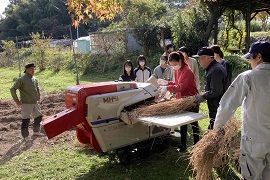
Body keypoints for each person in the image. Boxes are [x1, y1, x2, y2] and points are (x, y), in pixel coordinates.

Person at [213, 41, 270, 180]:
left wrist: (217, 128)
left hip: (254, 140)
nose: (250, 61)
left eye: (250, 58)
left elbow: (227, 106)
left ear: (259, 57)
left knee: (251, 176)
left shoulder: (248, 77)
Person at [157, 51, 199, 152]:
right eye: (171, 65)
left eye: (175, 64)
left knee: (194, 123)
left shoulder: (187, 71)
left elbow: (181, 87)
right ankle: (183, 144)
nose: (174, 67)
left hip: (191, 99)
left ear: (180, 61)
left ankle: (197, 144)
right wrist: (167, 82)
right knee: (182, 123)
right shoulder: (177, 70)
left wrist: (167, 87)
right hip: (181, 100)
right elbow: (176, 83)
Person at [193, 47, 228, 130]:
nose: (198, 61)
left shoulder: (215, 70)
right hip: (216, 106)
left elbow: (216, 91)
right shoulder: (212, 68)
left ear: (207, 58)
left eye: (200, 58)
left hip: (218, 106)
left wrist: (203, 96)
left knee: (217, 130)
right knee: (214, 127)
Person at [10, 63, 44, 141]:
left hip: (35, 102)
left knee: (39, 116)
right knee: (26, 119)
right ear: (27, 69)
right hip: (26, 103)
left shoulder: (34, 79)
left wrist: (38, 98)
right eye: (31, 69)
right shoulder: (21, 79)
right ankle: (25, 136)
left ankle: (36, 131)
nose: (33, 70)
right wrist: (17, 101)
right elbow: (13, 89)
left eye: (34, 69)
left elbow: (37, 88)